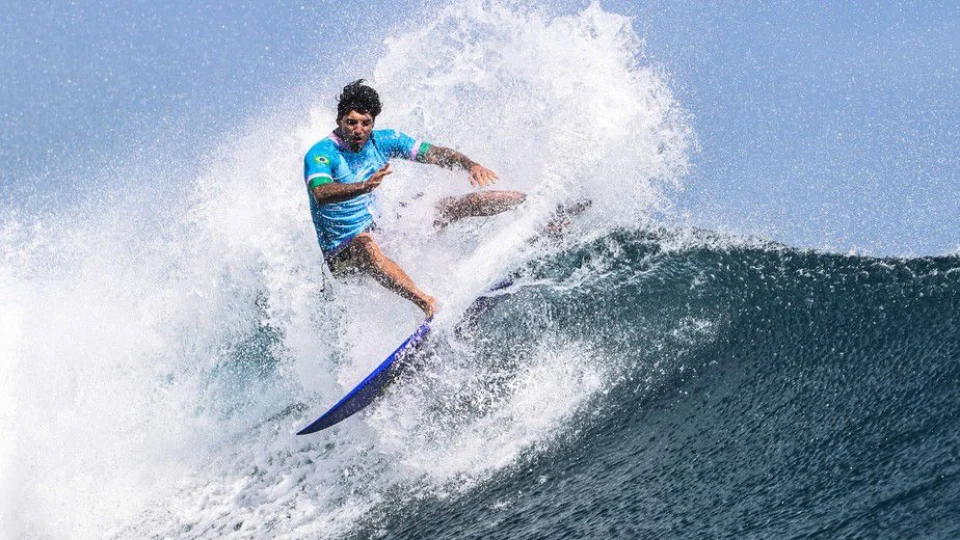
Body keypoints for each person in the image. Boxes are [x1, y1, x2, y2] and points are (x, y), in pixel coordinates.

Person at [303, 80, 525, 320]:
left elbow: (436, 153)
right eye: (351, 122)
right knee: (364, 243)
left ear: (373, 122)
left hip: (378, 233)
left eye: (366, 123)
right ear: (339, 121)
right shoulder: (322, 154)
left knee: (448, 206)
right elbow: (321, 192)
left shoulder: (383, 141)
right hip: (341, 256)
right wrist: (363, 187)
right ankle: (428, 304)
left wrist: (470, 165)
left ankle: (533, 203)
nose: (359, 130)